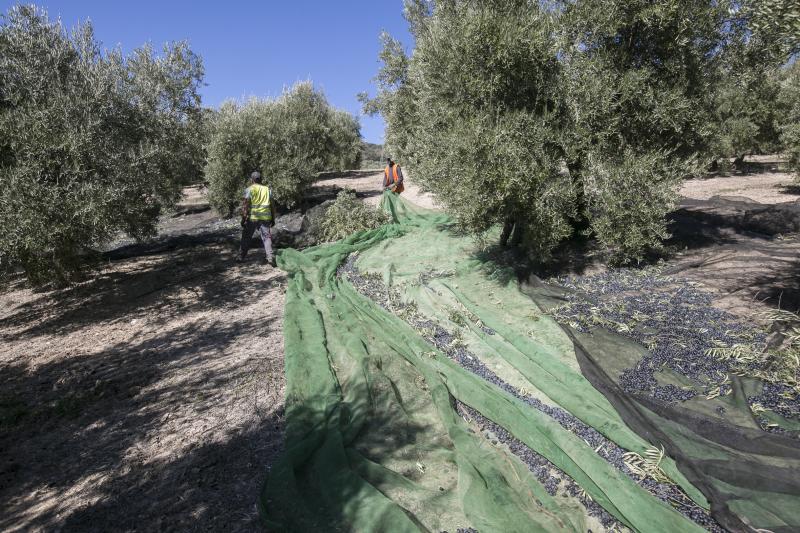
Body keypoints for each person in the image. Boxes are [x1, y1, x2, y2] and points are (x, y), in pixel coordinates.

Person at [237, 171, 277, 266]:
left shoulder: (249, 189)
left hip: (253, 218)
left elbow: (245, 205)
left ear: (252, 180)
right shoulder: (267, 190)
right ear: (261, 179)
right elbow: (272, 206)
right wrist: (273, 218)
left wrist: (243, 218)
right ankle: (270, 258)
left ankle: (240, 256)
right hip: (265, 217)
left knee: (246, 237)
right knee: (267, 238)